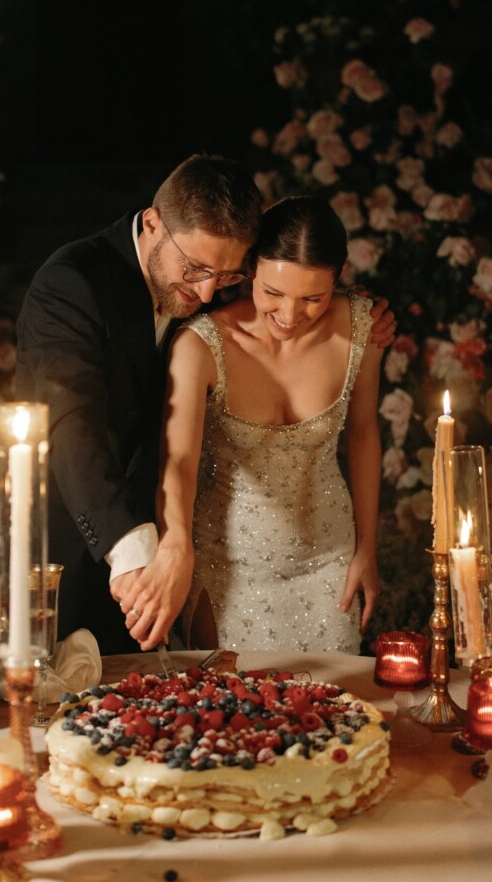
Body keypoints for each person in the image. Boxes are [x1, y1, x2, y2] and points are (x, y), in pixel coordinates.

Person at [11, 155, 395, 656]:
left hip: (164, 567)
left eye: (229, 277)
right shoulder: (72, 284)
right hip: (63, 558)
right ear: (152, 222)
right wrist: (138, 552)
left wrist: (356, 310)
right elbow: (72, 426)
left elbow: (293, 287)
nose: (208, 291)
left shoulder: (215, 286)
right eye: (195, 269)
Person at [118, 195, 382, 654]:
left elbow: (363, 434)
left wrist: (367, 548)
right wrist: (175, 548)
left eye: (312, 299)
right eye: (273, 293)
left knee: (336, 712)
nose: (290, 315)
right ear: (250, 269)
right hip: (225, 567)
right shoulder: (201, 344)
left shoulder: (364, 327)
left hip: (328, 562)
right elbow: (178, 460)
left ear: (338, 278)